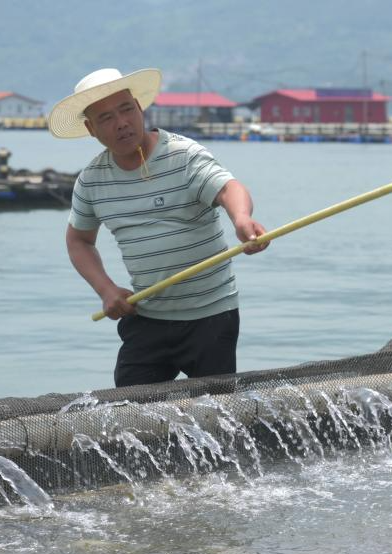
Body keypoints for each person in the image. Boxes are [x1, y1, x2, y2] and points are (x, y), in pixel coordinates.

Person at [49, 67, 267, 387]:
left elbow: (228, 189)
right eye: (106, 117)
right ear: (91, 128)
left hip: (211, 315)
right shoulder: (92, 180)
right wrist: (106, 290)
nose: (122, 122)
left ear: (140, 108)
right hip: (147, 316)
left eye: (126, 109)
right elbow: (79, 241)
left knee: (215, 411)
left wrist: (241, 219)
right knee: (128, 411)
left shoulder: (184, 155)